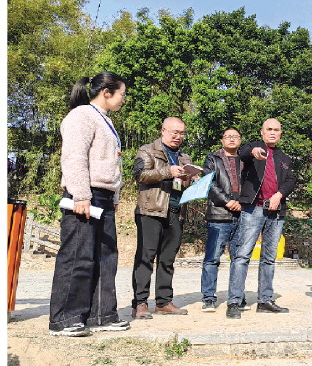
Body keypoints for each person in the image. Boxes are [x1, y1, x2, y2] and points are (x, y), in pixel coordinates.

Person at [49, 71, 130, 337]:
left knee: (106, 257)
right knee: (78, 256)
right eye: (122, 94)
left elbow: (111, 163)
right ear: (106, 92)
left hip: (104, 196)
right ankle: (65, 318)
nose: (123, 99)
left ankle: (101, 314)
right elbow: (74, 157)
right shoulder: (81, 116)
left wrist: (114, 197)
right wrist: (81, 194)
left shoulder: (105, 120)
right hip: (85, 195)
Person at [225, 118, 296, 319]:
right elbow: (242, 153)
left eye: (276, 130)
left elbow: (291, 180)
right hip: (253, 209)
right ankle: (234, 301)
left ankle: (265, 300)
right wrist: (253, 152)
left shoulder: (284, 158)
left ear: (280, 133)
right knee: (242, 255)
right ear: (262, 132)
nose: (272, 132)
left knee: (269, 258)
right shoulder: (252, 149)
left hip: (276, 211)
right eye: (269, 129)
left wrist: (279, 194)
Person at [131, 117, 194, 319]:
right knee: (145, 258)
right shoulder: (148, 150)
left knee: (167, 260)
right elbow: (139, 175)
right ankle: (140, 303)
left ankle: (163, 302)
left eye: (181, 133)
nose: (178, 136)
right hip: (151, 210)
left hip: (175, 211)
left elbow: (183, 185)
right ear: (163, 130)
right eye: (174, 132)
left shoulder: (184, 157)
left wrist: (190, 179)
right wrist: (168, 171)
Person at [200, 127, 248, 312]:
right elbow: (209, 183)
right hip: (219, 214)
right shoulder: (213, 159)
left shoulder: (246, 160)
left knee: (239, 259)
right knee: (212, 258)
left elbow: (252, 185)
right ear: (222, 140)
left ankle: (237, 297)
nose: (231, 139)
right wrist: (227, 201)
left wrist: (244, 203)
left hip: (242, 215)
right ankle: (208, 297)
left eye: (235, 136)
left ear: (240, 140)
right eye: (228, 136)